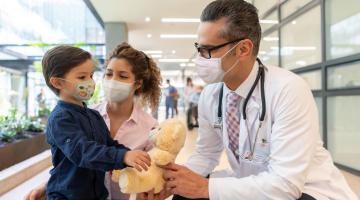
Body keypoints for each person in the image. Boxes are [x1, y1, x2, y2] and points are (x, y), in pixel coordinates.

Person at [142, 0, 357, 199]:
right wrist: (170, 183)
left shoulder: (288, 89)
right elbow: (206, 154)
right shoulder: (211, 94)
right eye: (198, 48)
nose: (200, 59)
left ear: (243, 49)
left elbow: (285, 185)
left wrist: (205, 188)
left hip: (307, 190)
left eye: (207, 50)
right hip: (250, 184)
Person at [25, 42, 162, 200]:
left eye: (90, 76)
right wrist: (123, 157)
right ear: (57, 82)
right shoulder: (61, 118)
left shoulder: (93, 116)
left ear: (138, 83)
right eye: (108, 74)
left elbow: (110, 145)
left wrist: (129, 155)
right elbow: (81, 151)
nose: (91, 81)